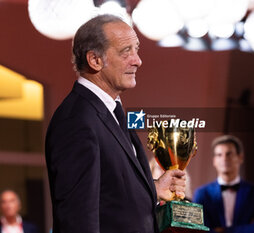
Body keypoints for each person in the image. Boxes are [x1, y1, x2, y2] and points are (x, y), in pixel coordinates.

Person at [45, 15, 186, 233]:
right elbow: (78, 219)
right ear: (95, 61)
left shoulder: (111, 112)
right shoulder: (76, 121)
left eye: (136, 49)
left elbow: (110, 195)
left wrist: (153, 188)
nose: (138, 60)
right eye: (125, 51)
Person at [193, 135, 254, 233]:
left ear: (240, 157)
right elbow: (198, 227)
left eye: (229, 154)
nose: (224, 158)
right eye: (219, 155)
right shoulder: (201, 193)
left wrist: (226, 231)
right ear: (214, 161)